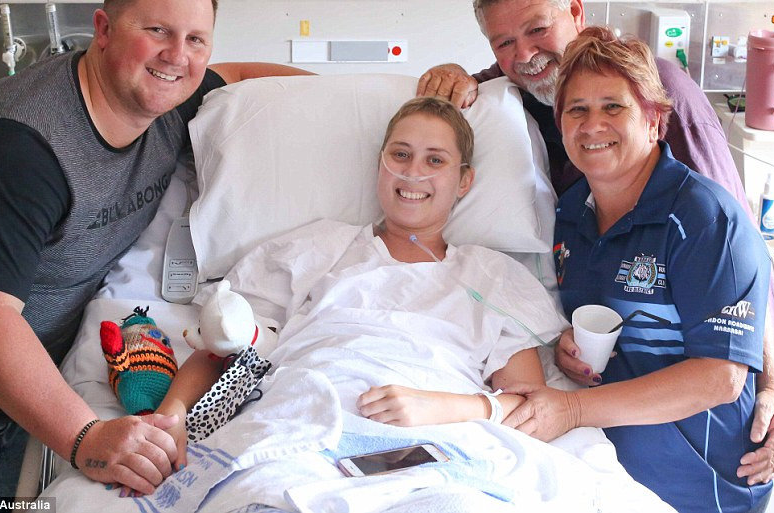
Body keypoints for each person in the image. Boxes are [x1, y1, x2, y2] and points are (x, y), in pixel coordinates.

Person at [0, 0, 311, 497]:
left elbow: (244, 77)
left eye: (196, 39)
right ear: (103, 29)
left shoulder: (168, 99)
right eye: (157, 31)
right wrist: (87, 437)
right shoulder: (15, 147)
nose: (177, 56)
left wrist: (409, 97)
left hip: (28, 394)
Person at [417, 0, 774, 486]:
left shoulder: (662, 99)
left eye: (537, 29)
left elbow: (739, 258)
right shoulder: (554, 171)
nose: (525, 55)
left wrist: (772, 384)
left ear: (575, 10)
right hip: (612, 434)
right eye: (503, 43)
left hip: (693, 442)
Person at [155, 97, 563, 470]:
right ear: (380, 166)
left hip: (433, 442)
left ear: (464, 181)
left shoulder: (493, 276)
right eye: (400, 154)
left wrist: (440, 407)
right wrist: (170, 418)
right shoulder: (315, 248)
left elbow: (529, 406)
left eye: (435, 160)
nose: (413, 171)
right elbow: (228, 341)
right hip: (298, 424)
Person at [501, 27, 774, 512]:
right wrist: (568, 346)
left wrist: (572, 409)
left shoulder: (703, 221)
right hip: (608, 476)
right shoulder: (570, 215)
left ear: (654, 120)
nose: (592, 125)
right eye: (577, 110)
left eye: (613, 106)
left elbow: (720, 376)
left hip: (699, 487)